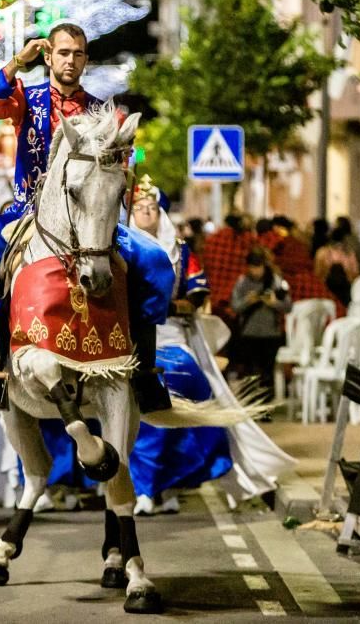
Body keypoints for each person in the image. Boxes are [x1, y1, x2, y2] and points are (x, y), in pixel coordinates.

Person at [0, 24, 171, 416]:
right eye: (62, 52)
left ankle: (144, 370)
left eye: (77, 53)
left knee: (153, 261)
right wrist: (15, 64)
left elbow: (119, 166)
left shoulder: (101, 112)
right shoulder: (29, 98)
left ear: (86, 60)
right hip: (29, 210)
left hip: (90, 217)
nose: (70, 60)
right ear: (48, 58)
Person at [127, 175, 232, 515]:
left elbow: (196, 299)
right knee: (134, 412)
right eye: (139, 208)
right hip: (129, 340)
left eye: (151, 208)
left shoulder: (181, 253)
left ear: (162, 213)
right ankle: (142, 487)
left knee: (188, 388)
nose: (145, 213)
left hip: (171, 337)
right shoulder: (117, 249)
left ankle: (170, 484)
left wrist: (166, 306)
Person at [231, 247, 291, 388]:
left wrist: (274, 303)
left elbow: (288, 306)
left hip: (270, 334)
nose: (256, 271)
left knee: (267, 374)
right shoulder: (243, 282)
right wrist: (248, 301)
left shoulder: (275, 281)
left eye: (258, 267)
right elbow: (235, 306)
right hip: (249, 333)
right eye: (253, 267)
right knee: (251, 374)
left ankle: (267, 405)